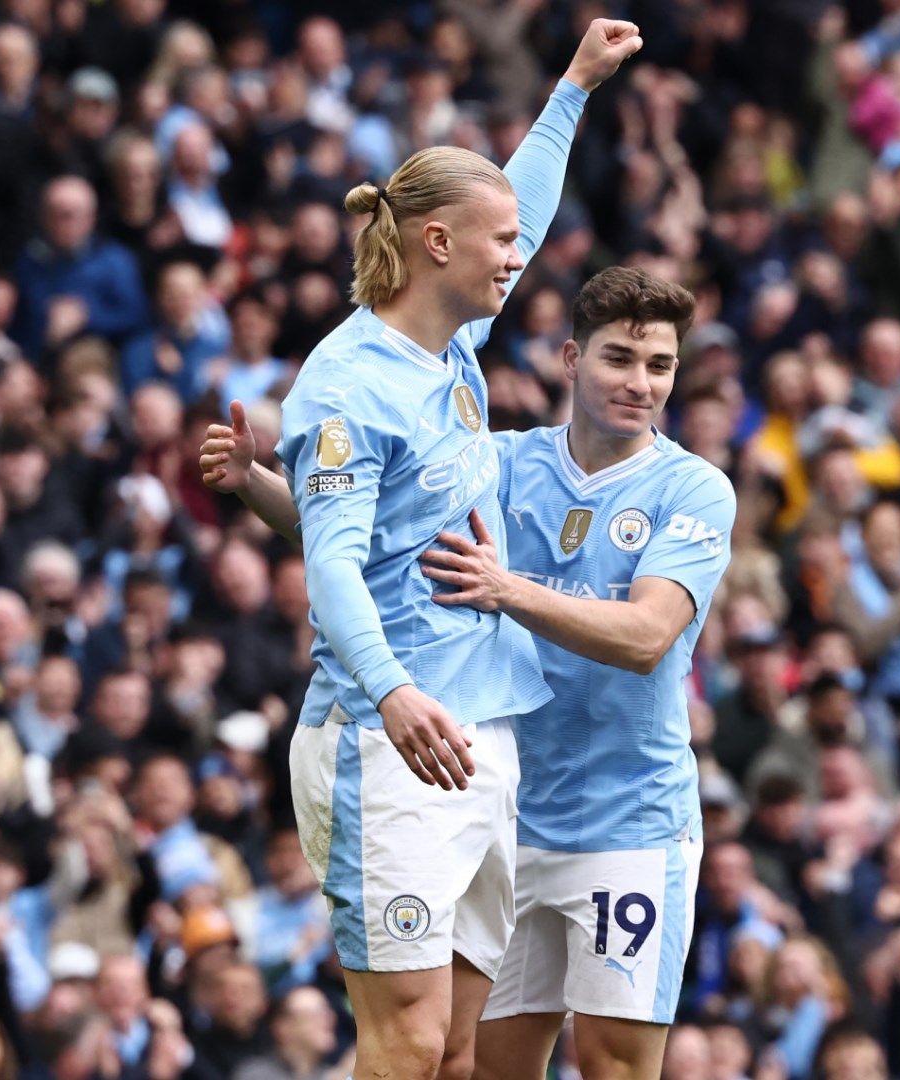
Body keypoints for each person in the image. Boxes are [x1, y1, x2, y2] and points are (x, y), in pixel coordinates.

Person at [218, 21, 642, 1080]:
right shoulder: (350, 386)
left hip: (480, 733)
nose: (519, 255)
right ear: (438, 245)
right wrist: (397, 696)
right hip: (386, 738)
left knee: (459, 1053)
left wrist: (575, 87)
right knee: (403, 1045)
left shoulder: (446, 342)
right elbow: (331, 571)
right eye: (496, 241)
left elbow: (526, 205)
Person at [202, 265, 733, 1079]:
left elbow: (647, 636)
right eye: (619, 358)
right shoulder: (502, 461)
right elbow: (365, 547)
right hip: (505, 809)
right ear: (570, 359)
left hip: (629, 823)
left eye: (658, 365)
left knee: (616, 1065)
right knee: (483, 1066)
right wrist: (255, 486)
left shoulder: (692, 488)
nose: (640, 383)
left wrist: (505, 587)